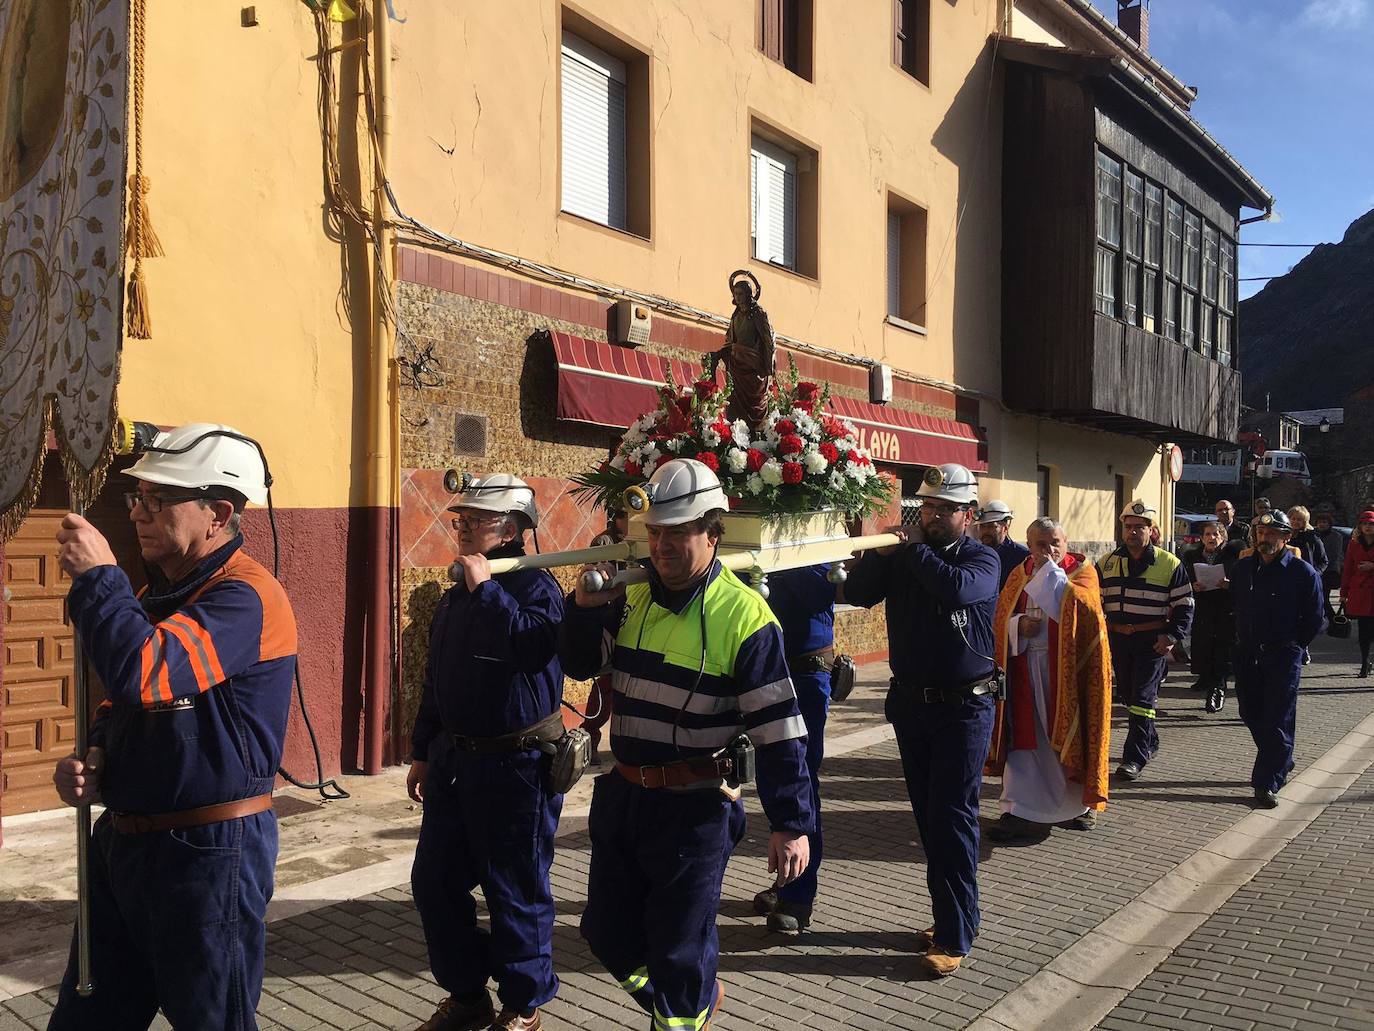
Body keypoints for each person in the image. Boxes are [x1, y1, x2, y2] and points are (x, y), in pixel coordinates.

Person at [48, 423, 295, 1030]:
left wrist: (99, 578)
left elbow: (145, 671)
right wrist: (99, 752)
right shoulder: (161, 592)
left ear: (218, 512)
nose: (138, 512)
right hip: (126, 845)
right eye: (138, 497)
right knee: (86, 1018)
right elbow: (126, 705)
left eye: (159, 500)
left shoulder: (245, 597)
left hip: (208, 856)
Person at [561, 458, 812, 1029]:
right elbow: (579, 663)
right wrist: (583, 608)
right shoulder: (633, 597)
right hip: (626, 802)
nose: (662, 545)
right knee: (603, 932)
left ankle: (681, 1008)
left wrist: (792, 822)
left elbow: (780, 730)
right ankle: (691, 1000)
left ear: (712, 531)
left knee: (677, 954)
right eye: (654, 531)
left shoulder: (746, 618)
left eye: (678, 531)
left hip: (695, 810)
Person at [408, 473, 565, 1031]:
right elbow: (437, 680)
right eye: (462, 518)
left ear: (514, 529)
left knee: (515, 890)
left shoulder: (535, 585)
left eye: (478, 519)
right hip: (456, 765)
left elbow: (534, 646)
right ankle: (468, 994)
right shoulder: (457, 597)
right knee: (434, 882)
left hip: (516, 768)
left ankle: (523, 1006)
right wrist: (423, 749)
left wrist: (489, 591)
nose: (465, 526)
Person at [843, 463, 1000, 977]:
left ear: (967, 514)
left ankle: (955, 936)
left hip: (964, 709)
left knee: (952, 819)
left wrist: (911, 550)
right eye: (926, 508)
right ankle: (956, 916)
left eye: (942, 510)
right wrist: (878, 552)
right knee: (930, 821)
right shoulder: (913, 555)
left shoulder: (981, 558)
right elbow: (861, 593)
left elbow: (954, 590)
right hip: (913, 706)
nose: (930, 517)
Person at [985, 518, 1112, 842]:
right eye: (1041, 544)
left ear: (1066, 542)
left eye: (1055, 542)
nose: (1049, 550)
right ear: (1029, 545)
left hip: (1068, 675)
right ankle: (1018, 810)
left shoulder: (1081, 572)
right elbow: (1000, 619)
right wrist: (1016, 626)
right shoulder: (1019, 573)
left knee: (1071, 737)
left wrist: (1052, 578)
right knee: (1025, 743)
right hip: (1025, 665)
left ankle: (1079, 808)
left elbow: (1087, 617)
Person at [752, 564, 837, 933]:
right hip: (749, 662)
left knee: (799, 781)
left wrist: (772, 564)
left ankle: (798, 896)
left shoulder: (812, 532)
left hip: (803, 669)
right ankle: (784, 878)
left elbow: (822, 592)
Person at [1230, 510, 1326, 808]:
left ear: (1287, 537)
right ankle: (1281, 756)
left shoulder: (1302, 572)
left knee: (1277, 719)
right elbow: (1235, 605)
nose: (1265, 538)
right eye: (1260, 533)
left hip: (1282, 655)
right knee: (1249, 711)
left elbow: (1315, 618)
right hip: (1248, 652)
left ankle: (1266, 782)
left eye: (1272, 534)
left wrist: (1294, 646)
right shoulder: (1244, 568)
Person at [1096, 500, 1194, 782]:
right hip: (1118, 640)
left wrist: (1172, 636)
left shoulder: (1169, 563)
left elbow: (1185, 605)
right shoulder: (1107, 562)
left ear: (1151, 530)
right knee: (1128, 695)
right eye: (1129, 527)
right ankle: (1149, 740)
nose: (1133, 532)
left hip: (1152, 640)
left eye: (1140, 527)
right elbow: (1094, 600)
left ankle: (1134, 758)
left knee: (1142, 698)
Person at [582, 505, 631, 763]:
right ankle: (589, 736)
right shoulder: (604, 541)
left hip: (628, 616)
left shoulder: (636, 541)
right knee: (605, 685)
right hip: (608, 618)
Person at [1182, 521, 1244, 713]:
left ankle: (1218, 689)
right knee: (1204, 647)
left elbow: (1244, 580)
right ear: (1202, 538)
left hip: (1226, 609)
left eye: (1215, 534)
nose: (1211, 538)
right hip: (1203, 608)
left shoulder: (1235, 554)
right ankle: (1207, 680)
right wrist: (1193, 586)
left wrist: (1230, 584)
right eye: (1207, 534)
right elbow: (1184, 579)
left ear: (1223, 537)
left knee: (1223, 650)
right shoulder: (1192, 555)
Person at [1339, 511, 1374, 678]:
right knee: (1363, 630)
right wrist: (1343, 592)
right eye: (1365, 523)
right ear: (1360, 526)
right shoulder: (1354, 544)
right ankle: (1364, 662)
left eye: (1371, 524)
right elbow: (1348, 569)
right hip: (1360, 591)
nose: (1368, 526)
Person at [975, 499, 1030, 588]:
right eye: (982, 526)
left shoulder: (1022, 557)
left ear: (1005, 528)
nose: (985, 531)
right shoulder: (975, 554)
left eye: (991, 526)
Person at [1314, 509, 1350, 623]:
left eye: (1325, 522)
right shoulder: (1314, 535)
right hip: (1316, 569)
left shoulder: (1336, 536)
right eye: (1320, 522)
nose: (1322, 524)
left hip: (1330, 571)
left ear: (1329, 524)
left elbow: (1335, 555)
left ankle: (1333, 619)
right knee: (1319, 597)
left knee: (1324, 597)